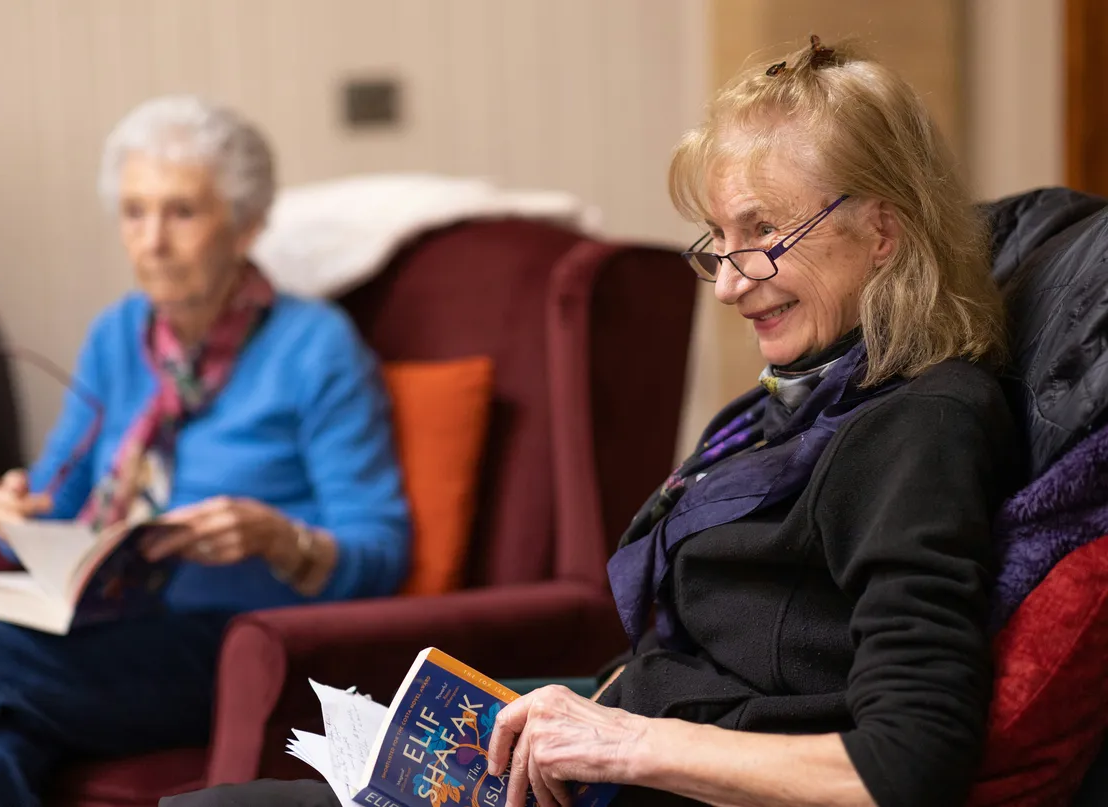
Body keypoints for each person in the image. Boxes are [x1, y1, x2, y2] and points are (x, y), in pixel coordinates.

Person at [165, 35, 1019, 807]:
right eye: (718, 241)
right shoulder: (802, 395)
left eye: (763, 233)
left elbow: (909, 761)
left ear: (884, 232)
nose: (726, 283)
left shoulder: (921, 426)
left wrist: (628, 740)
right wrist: (590, 711)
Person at [0, 95, 411, 807]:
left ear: (247, 226)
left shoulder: (316, 347)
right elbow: (56, 495)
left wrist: (279, 538)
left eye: (182, 212)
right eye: (134, 212)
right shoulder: (118, 336)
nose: (152, 240)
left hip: (236, 646)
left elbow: (383, 550)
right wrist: (13, 509)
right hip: (109, 631)